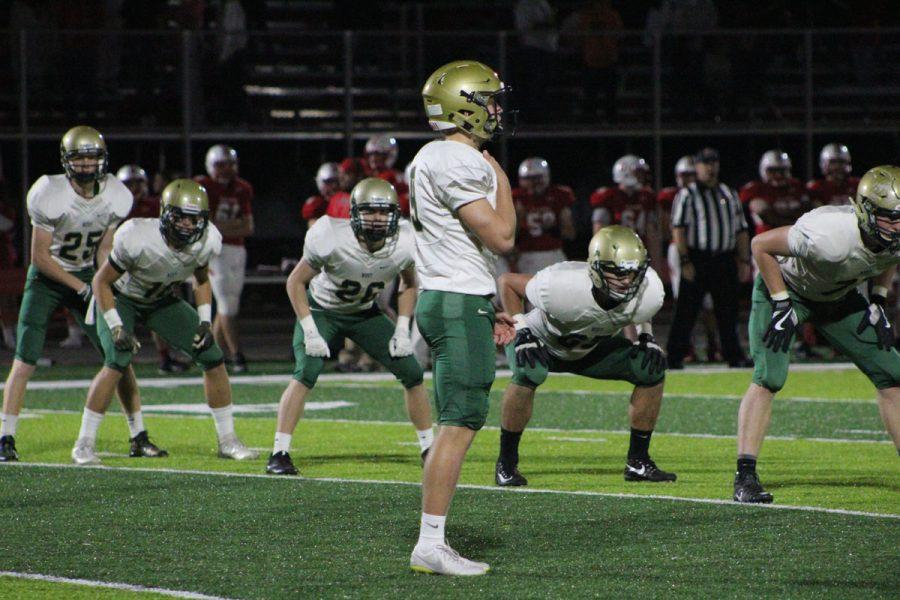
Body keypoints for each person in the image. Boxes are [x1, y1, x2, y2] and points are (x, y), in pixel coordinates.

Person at [407, 60, 517, 576]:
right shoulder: (457, 160)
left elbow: (467, 247)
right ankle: (431, 541)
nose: (496, 110)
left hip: (450, 295)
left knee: (456, 421)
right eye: (489, 100)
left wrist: (486, 299)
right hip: (454, 301)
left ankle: (432, 538)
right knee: (458, 424)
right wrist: (501, 178)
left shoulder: (432, 156)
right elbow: (502, 237)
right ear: (464, 105)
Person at [734, 165, 900, 503]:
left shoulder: (892, 234)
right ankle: (745, 477)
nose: (898, 226)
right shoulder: (830, 236)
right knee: (770, 376)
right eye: (890, 218)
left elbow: (888, 259)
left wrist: (880, 299)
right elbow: (761, 245)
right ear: (866, 212)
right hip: (786, 290)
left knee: (892, 373)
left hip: (838, 298)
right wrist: (781, 303)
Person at [70, 179, 257, 465]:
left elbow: (202, 279)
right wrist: (117, 325)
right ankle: (84, 443)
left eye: (194, 219)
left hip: (159, 300)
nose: (187, 225)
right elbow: (100, 282)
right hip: (121, 298)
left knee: (212, 355)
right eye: (180, 217)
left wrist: (206, 322)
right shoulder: (137, 236)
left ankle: (228, 440)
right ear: (166, 214)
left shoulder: (208, 240)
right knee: (117, 359)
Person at [1, 126, 149, 462]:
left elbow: (105, 248)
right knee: (25, 358)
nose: (86, 165)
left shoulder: (115, 193)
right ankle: (5, 438)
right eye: (79, 158)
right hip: (48, 278)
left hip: (86, 274)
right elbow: (40, 256)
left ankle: (138, 434)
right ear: (67, 162)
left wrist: (101, 281)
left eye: (92, 157)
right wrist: (82, 288)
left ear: (103, 159)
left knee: (118, 355)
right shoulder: (48, 192)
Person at [266, 178, 432, 475]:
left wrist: (403, 327)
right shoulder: (331, 235)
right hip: (322, 310)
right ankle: (279, 452)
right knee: (307, 371)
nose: (378, 219)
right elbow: (295, 281)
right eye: (370, 211)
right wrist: (311, 329)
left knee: (412, 371)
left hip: (364, 313)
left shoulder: (405, 240)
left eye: (384, 212)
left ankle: (429, 447)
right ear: (355, 213)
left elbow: (409, 284)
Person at [495, 225, 674, 487]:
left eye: (634, 273)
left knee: (651, 368)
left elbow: (641, 311)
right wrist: (521, 331)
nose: (627, 281)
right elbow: (508, 282)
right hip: (541, 341)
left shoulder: (649, 290)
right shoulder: (560, 285)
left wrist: (646, 337)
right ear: (596, 269)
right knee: (529, 371)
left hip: (590, 348)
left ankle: (638, 461)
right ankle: (506, 463)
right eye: (617, 273)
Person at [666, 147, 751, 369]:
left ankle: (734, 355)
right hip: (698, 257)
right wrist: (684, 261)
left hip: (724, 258)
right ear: (697, 167)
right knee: (686, 311)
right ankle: (674, 356)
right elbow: (679, 229)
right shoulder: (687, 194)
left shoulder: (729, 193)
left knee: (728, 310)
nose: (710, 168)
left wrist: (744, 260)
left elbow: (741, 229)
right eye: (705, 163)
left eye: (713, 163)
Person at [117, 164, 189, 374]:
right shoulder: (115, 209)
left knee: (160, 312)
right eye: (129, 184)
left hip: (153, 267)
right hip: (123, 269)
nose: (134, 188)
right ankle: (119, 358)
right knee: (121, 316)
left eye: (138, 183)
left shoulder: (155, 205)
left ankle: (165, 357)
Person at [196, 144, 254, 373]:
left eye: (230, 164)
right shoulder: (203, 187)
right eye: (221, 165)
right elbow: (205, 227)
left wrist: (220, 227)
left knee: (227, 304)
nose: (226, 169)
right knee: (228, 305)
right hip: (214, 251)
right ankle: (237, 355)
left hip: (237, 251)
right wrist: (232, 227)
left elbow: (248, 227)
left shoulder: (242, 188)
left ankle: (210, 352)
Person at [661, 156, 720, 362]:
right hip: (681, 251)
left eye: (691, 175)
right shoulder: (673, 196)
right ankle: (688, 347)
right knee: (685, 303)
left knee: (709, 304)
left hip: (704, 253)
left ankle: (714, 345)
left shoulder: (711, 194)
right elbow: (666, 228)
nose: (687, 179)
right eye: (684, 175)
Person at [591, 154, 663, 280]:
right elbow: (599, 233)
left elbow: (652, 233)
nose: (642, 177)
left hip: (640, 255)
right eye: (638, 173)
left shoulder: (646, 197)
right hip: (615, 256)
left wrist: (656, 263)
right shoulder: (608, 197)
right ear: (626, 173)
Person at [510, 157, 576, 274]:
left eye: (536, 178)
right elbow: (509, 236)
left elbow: (570, 234)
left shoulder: (558, 195)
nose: (531, 183)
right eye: (527, 179)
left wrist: (554, 228)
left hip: (553, 252)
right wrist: (518, 218)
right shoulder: (515, 197)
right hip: (526, 255)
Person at [740, 150, 810, 236]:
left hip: (796, 238)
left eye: (782, 170)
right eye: (772, 171)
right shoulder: (756, 189)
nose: (778, 175)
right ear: (763, 170)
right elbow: (767, 216)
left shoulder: (797, 186)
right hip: (769, 238)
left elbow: (807, 211)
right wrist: (794, 222)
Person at [807, 143, 859, 207]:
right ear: (824, 164)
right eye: (833, 162)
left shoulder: (856, 185)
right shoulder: (817, 187)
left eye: (841, 162)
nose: (837, 166)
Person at [301, 162, 340, 228]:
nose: (335, 185)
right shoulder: (318, 205)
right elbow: (315, 234)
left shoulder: (346, 200)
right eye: (330, 181)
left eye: (338, 181)